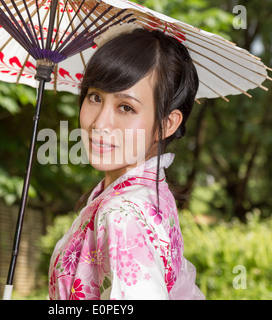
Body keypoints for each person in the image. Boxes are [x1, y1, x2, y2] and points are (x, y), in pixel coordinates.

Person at [48, 28, 205, 300]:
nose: (100, 123)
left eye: (126, 107)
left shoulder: (123, 212)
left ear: (166, 124)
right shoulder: (148, 192)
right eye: (95, 97)